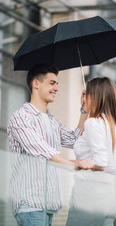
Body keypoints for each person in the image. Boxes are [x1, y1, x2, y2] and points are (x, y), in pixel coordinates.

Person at [7, 63, 94, 226]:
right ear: (36, 84)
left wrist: (84, 110)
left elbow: (74, 139)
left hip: (48, 204)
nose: (57, 88)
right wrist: (74, 164)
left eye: (57, 84)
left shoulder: (51, 120)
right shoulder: (21, 117)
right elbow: (40, 151)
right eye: (52, 83)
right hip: (30, 204)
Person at [66, 77, 116, 226]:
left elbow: (100, 163)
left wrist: (72, 163)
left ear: (93, 96)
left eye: (87, 93)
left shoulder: (93, 123)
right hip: (108, 200)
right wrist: (84, 111)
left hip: (88, 199)